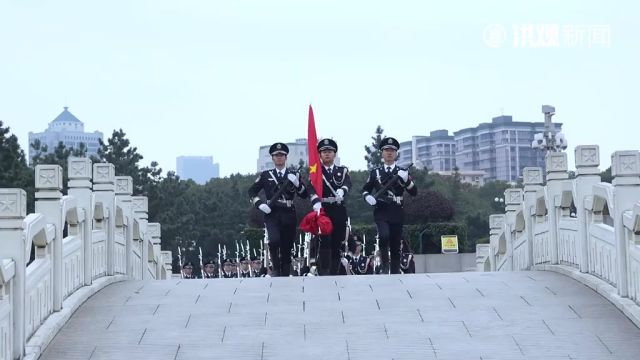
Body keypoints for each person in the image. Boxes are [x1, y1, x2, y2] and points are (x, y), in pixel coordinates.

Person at [248, 142, 309, 277]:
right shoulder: (265, 175)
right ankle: (276, 267)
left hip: (288, 212)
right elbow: (251, 191)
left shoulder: (293, 174)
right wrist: (260, 204)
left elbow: (304, 194)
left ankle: (285, 271)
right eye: (276, 155)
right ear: (272, 158)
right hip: (272, 212)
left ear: (286, 157)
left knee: (287, 246)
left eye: (282, 155)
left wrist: (297, 183)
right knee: (274, 240)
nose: (279, 157)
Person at [361, 137, 418, 274]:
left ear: (396, 153)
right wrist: (367, 197)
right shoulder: (375, 173)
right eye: (386, 150)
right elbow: (365, 189)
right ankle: (385, 266)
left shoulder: (402, 172)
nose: (389, 153)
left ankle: (394, 271)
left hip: (397, 210)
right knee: (384, 235)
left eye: (392, 150)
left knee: (395, 242)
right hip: (381, 210)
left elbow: (414, 192)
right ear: (382, 153)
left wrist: (407, 181)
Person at [308, 138, 352, 275]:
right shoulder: (316, 171)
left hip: (338, 209)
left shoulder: (342, 170)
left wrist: (342, 191)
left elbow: (347, 183)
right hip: (323, 209)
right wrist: (315, 201)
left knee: (337, 243)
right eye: (324, 152)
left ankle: (334, 272)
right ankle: (325, 271)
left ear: (334, 154)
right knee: (325, 241)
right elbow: (310, 187)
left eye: (330, 151)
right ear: (319, 155)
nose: (327, 154)